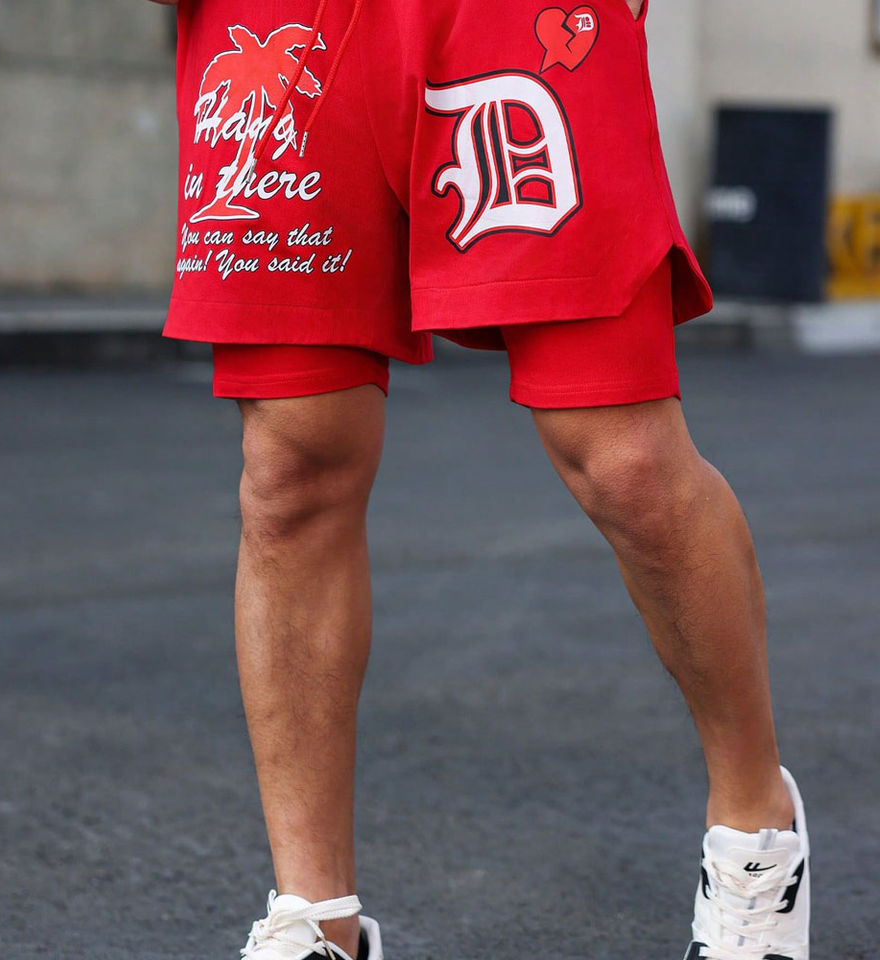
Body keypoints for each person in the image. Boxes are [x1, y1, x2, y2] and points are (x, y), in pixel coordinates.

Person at [150, 0, 811, 957]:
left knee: (623, 459)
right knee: (289, 472)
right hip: (277, 28)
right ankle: (315, 921)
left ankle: (758, 829)